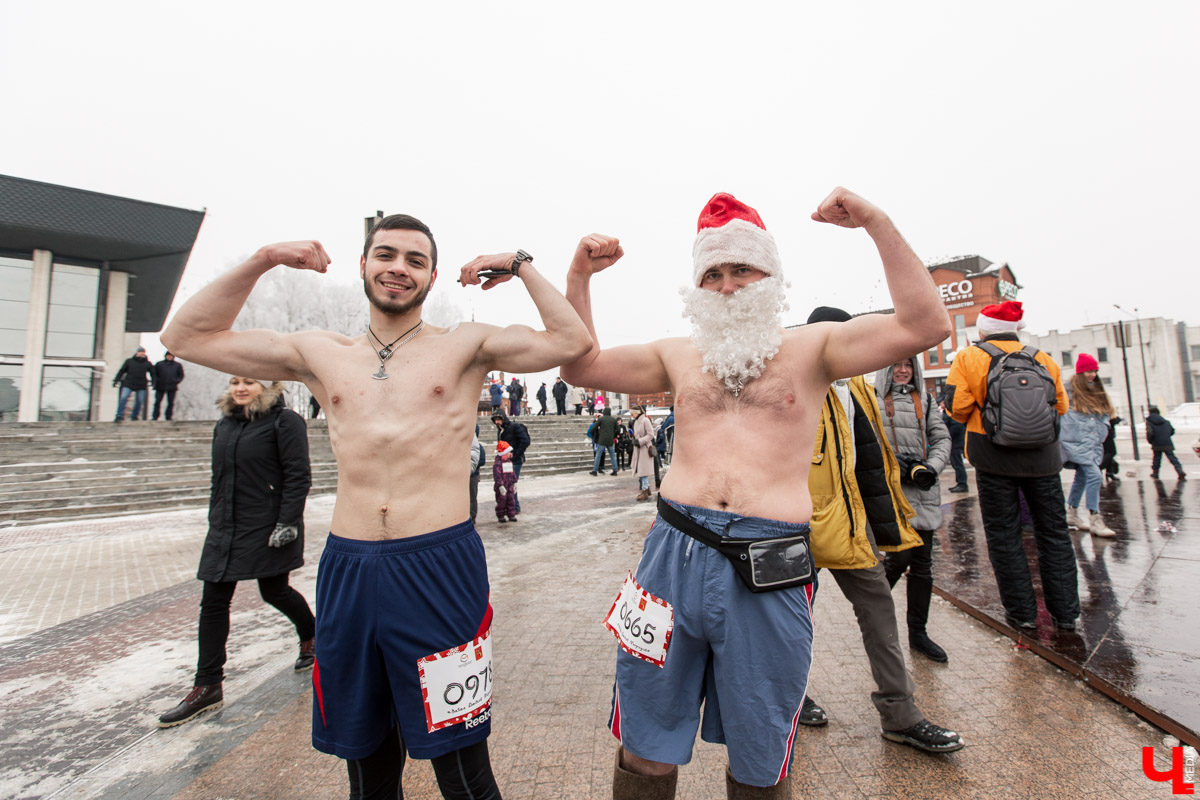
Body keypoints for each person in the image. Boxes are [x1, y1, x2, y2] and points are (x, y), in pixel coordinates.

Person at [162, 214, 595, 800]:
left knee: (462, 761)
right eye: (386, 255)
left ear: (433, 276)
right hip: (351, 570)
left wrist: (519, 266)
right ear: (364, 264)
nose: (398, 268)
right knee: (364, 757)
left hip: (439, 566)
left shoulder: (465, 346)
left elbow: (571, 343)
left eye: (415, 261)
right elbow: (185, 337)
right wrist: (264, 258)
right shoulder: (320, 353)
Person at [561, 189, 952, 798]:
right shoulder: (677, 353)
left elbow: (926, 324)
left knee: (762, 746)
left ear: (770, 274)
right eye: (712, 273)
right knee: (644, 734)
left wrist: (874, 222)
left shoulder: (813, 348)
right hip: (672, 556)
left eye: (741, 268)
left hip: (769, 563)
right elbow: (579, 366)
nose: (726, 286)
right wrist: (580, 275)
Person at [801, 318, 962, 754]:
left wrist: (884, 519)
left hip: (853, 525)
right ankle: (793, 699)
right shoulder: (796, 386)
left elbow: (871, 460)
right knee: (791, 619)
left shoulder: (859, 391)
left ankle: (901, 715)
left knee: (878, 610)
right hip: (797, 526)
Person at [157, 377, 315, 727]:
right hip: (226, 527)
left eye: (249, 382)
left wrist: (287, 522)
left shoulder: (283, 421)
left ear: (269, 385)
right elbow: (220, 477)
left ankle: (311, 634)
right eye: (234, 381)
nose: (240, 388)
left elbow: (298, 475)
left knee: (274, 591)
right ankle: (208, 684)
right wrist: (215, 517)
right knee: (212, 600)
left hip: (268, 524)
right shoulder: (226, 423)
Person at [944, 301, 1080, 633]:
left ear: (981, 330)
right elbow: (1060, 404)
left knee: (1004, 536)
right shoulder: (1042, 357)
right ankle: (1065, 614)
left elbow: (956, 408)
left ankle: (1022, 613)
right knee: (1054, 535)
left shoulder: (969, 357)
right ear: (1015, 330)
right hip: (1043, 460)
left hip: (994, 460)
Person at [876, 356, 952, 662]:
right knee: (899, 557)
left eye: (908, 365)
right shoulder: (876, 401)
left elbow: (941, 438)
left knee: (923, 565)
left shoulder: (927, 401)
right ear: (886, 368)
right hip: (894, 493)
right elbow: (869, 444)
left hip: (924, 491)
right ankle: (876, 620)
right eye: (896, 365)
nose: (903, 370)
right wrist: (894, 462)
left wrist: (930, 467)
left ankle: (918, 633)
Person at [1061, 354, 1118, 537]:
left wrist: (1102, 430)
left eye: (1094, 371)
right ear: (1080, 372)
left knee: (1083, 477)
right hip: (1075, 442)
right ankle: (1094, 518)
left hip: (1092, 442)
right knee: (1094, 476)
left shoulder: (1097, 391)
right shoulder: (1067, 391)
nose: (1092, 374)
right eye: (1088, 371)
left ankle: (1072, 512)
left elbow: (1104, 415)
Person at [491, 412, 530, 514]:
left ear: (503, 418)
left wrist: (516, 454)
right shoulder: (500, 430)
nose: (497, 422)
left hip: (515, 461)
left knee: (511, 484)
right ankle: (510, 507)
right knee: (506, 484)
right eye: (495, 420)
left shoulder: (514, 427)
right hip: (505, 461)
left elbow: (525, 441)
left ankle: (514, 507)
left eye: (499, 419)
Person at [938, 385, 968, 492]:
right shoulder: (947, 412)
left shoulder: (952, 412)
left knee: (958, 464)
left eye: (941, 403)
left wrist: (947, 436)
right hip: (953, 442)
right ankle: (960, 482)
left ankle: (962, 484)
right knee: (956, 464)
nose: (941, 405)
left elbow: (957, 426)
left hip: (955, 442)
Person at [113, 346, 154, 421]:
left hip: (141, 385)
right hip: (129, 383)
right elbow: (122, 371)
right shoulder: (129, 361)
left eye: (143, 353)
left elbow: (153, 374)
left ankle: (134, 416)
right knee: (123, 398)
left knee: (140, 400)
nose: (141, 354)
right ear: (137, 353)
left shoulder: (147, 363)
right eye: (140, 352)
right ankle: (119, 415)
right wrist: (116, 380)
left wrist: (154, 383)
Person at [1146, 406, 1187, 480]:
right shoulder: (1165, 421)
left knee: (1156, 458)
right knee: (1172, 457)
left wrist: (1150, 441)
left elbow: (1149, 433)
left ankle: (1155, 473)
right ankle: (1179, 471)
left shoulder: (1149, 422)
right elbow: (1172, 430)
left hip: (1157, 443)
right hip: (1167, 442)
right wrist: (1166, 436)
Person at [629, 405, 655, 501]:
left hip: (645, 448)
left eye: (633, 413)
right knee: (641, 469)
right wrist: (634, 439)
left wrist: (640, 441)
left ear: (637, 412)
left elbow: (651, 434)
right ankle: (646, 488)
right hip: (639, 449)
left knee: (643, 470)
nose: (631, 415)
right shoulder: (636, 421)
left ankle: (645, 490)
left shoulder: (645, 420)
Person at [151, 351, 185, 421]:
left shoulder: (177, 365)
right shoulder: (159, 364)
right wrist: (156, 381)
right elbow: (154, 373)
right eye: (168, 355)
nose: (169, 357)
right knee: (157, 402)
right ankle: (155, 416)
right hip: (160, 386)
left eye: (171, 356)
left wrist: (176, 380)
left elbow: (181, 375)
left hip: (172, 386)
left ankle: (168, 416)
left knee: (170, 403)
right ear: (165, 356)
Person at [493, 441, 518, 523]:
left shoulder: (509, 462)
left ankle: (511, 514)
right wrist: (500, 485)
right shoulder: (498, 464)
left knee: (511, 500)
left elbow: (512, 472)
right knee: (501, 501)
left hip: (510, 485)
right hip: (502, 486)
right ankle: (501, 515)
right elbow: (497, 476)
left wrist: (515, 482)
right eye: (508, 452)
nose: (510, 454)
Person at [589, 407, 619, 476]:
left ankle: (595, 470)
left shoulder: (601, 419)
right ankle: (615, 470)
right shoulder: (613, 420)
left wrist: (594, 434)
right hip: (610, 440)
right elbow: (618, 429)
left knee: (598, 455)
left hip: (602, 439)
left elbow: (593, 428)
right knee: (612, 455)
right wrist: (614, 435)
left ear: (604, 412)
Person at [469, 424, 486, 524]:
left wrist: (472, 463)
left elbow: (482, 460)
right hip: (463, 476)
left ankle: (472, 516)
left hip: (473, 475)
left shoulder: (479, 447)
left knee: (472, 497)